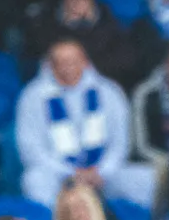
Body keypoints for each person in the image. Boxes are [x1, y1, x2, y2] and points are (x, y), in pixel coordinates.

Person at [17, 37, 152, 211]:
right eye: (60, 62)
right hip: (58, 175)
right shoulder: (32, 96)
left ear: (85, 62)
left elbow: (120, 143)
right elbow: (31, 150)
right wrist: (70, 173)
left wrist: (101, 171)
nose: (67, 68)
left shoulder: (109, 91)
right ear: (50, 65)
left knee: (144, 179)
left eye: (73, 61)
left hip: (103, 174)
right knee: (34, 181)